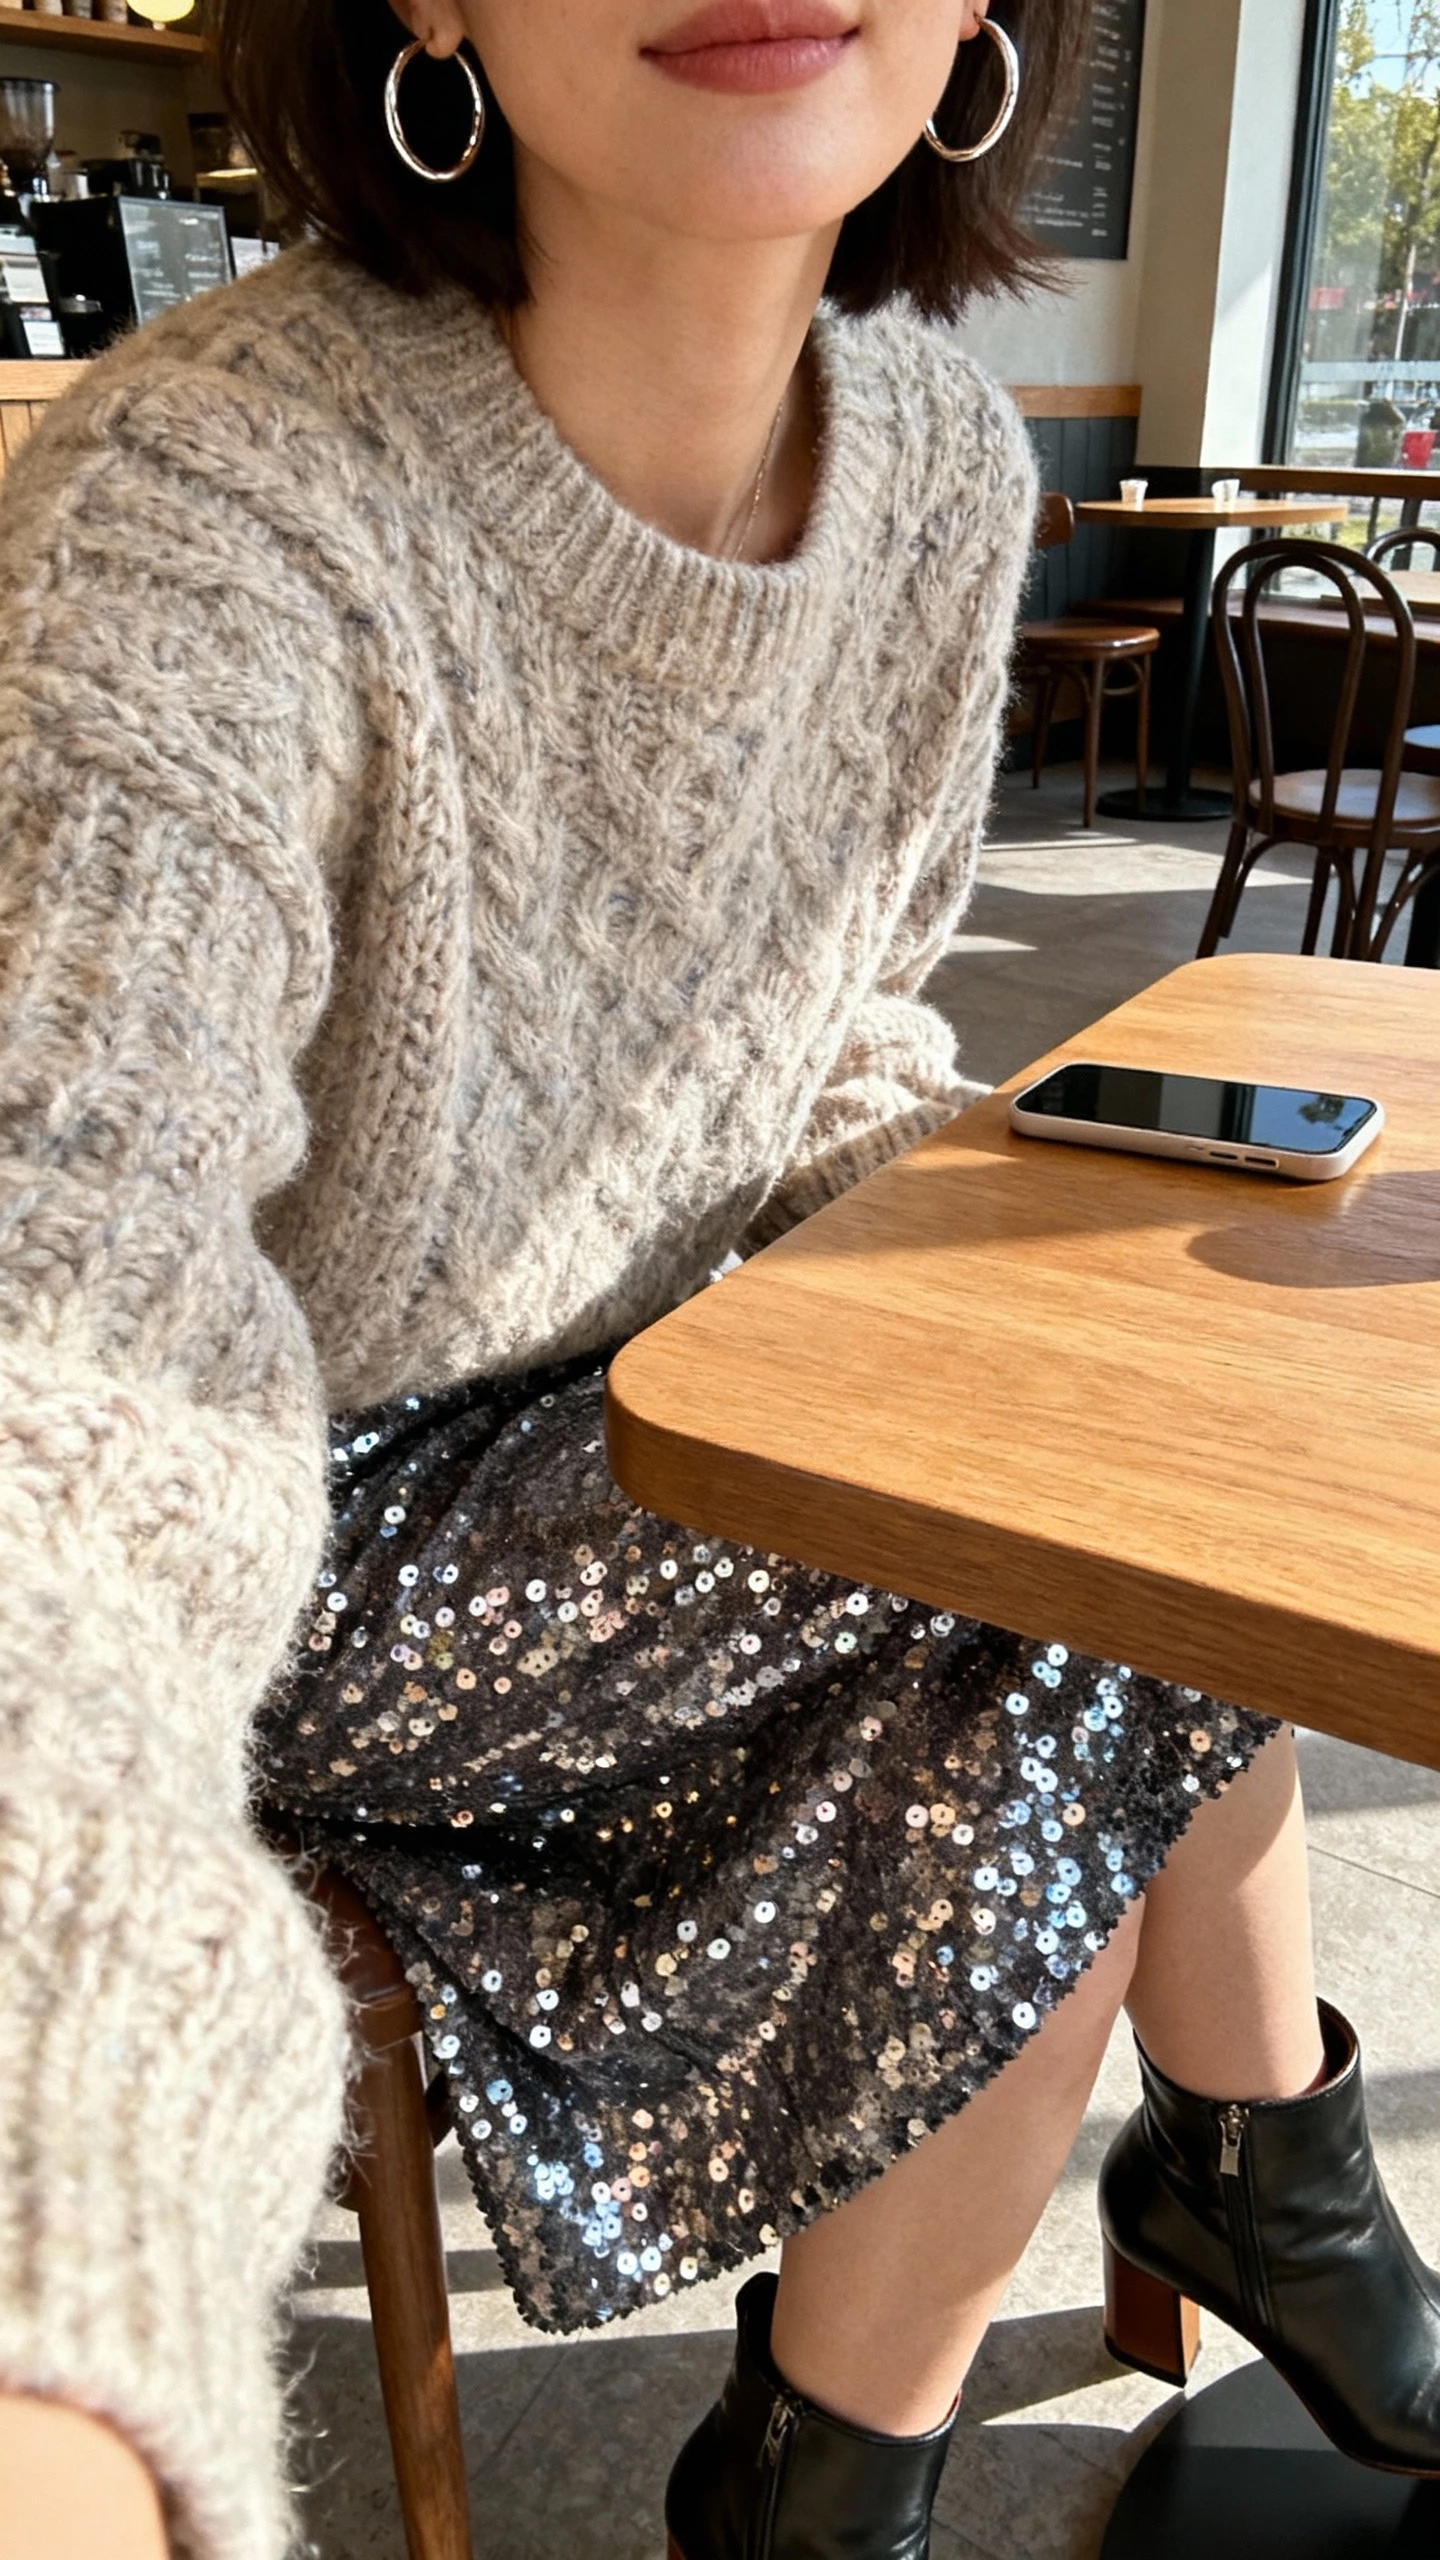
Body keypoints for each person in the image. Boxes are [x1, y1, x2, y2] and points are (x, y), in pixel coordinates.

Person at [0, 4, 1436, 2556]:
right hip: (312, 1528)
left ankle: (868, 2447)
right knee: (1084, 1595)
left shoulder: (940, 470)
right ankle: (1247, 2170)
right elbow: (70, 1337)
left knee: (1113, 1458)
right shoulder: (205, 497)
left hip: (686, 1402)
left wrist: (973, 1266)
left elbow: (843, 1022)